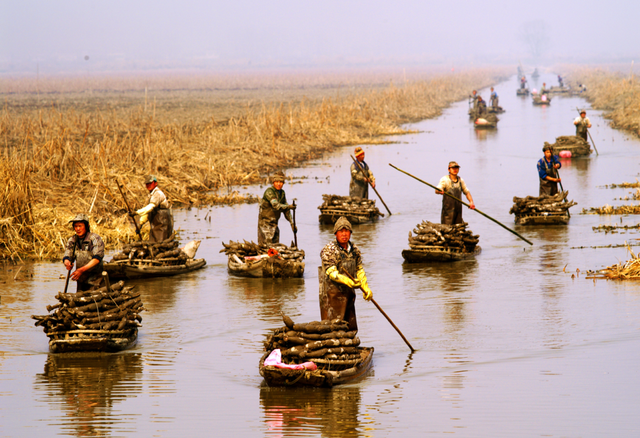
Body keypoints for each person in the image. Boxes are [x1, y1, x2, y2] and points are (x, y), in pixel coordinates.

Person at [319, 216, 372, 331]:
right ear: (335, 234)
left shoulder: (354, 250)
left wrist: (365, 287)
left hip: (349, 296)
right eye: (341, 231)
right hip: (332, 297)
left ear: (350, 233)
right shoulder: (329, 250)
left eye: (346, 231)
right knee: (333, 330)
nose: (344, 234)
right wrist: (348, 281)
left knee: (351, 328)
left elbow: (359, 269)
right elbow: (331, 272)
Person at [63, 214, 105, 292]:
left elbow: (97, 258)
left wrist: (81, 270)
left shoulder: (94, 238)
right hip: (80, 280)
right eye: (75, 226)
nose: (78, 229)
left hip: (95, 280)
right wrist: (67, 263)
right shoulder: (72, 240)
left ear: (87, 226)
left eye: (80, 226)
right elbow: (67, 255)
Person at [258, 170, 296, 246]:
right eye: (277, 181)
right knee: (267, 247)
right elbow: (276, 206)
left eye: (281, 182)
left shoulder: (282, 193)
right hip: (265, 224)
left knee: (275, 246)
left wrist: (292, 223)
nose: (279, 184)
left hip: (275, 224)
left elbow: (286, 210)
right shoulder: (269, 192)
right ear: (273, 182)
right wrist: (289, 206)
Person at [136, 175, 173, 242]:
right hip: (155, 225)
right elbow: (147, 212)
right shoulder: (150, 195)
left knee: (161, 243)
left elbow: (150, 207)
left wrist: (137, 212)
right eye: (147, 184)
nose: (148, 185)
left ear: (155, 183)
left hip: (162, 225)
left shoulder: (157, 194)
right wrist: (140, 223)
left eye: (150, 183)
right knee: (153, 243)